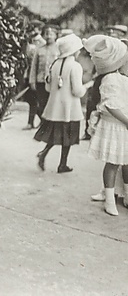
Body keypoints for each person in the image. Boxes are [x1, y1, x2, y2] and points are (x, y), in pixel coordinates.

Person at [83, 35, 128, 216]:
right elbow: (110, 105)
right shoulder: (110, 79)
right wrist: (126, 121)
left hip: (123, 125)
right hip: (115, 125)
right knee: (113, 162)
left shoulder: (122, 78)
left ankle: (125, 193)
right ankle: (109, 199)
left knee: (125, 161)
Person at [34, 34, 87, 173]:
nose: (79, 52)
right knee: (68, 136)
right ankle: (62, 164)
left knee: (55, 134)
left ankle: (44, 153)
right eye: (78, 49)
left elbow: (47, 88)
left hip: (54, 108)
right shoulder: (75, 66)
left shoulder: (54, 64)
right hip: (70, 108)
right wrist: (86, 87)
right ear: (73, 51)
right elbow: (77, 91)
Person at [29, 24, 60, 125]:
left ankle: (50, 125)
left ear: (56, 35)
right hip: (41, 81)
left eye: (51, 34)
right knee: (41, 104)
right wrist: (32, 81)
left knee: (53, 104)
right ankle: (44, 124)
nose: (49, 36)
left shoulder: (59, 49)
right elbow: (34, 66)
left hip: (54, 82)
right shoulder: (39, 49)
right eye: (46, 34)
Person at [23, 20, 45, 129]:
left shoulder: (42, 43)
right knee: (29, 98)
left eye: (34, 28)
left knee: (34, 99)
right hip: (28, 73)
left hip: (36, 75)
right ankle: (34, 122)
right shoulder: (29, 40)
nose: (32, 31)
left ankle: (40, 121)